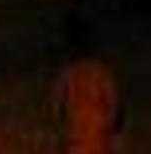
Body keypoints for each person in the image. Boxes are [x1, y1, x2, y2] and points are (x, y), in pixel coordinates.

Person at [53, 12, 124, 154]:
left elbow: (57, 107)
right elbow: (114, 104)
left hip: (79, 135)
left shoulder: (68, 75)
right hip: (97, 133)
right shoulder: (100, 72)